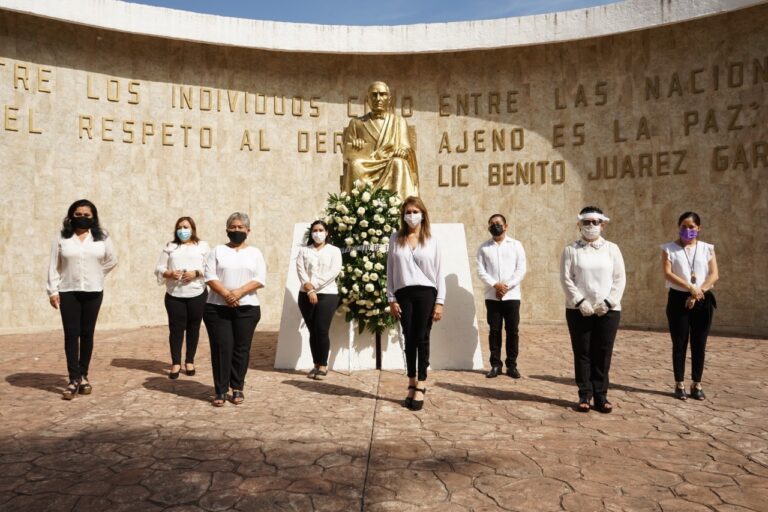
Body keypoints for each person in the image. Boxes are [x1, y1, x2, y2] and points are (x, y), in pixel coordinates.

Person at [47, 199, 118, 400]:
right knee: (71, 334)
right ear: (71, 215)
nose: (83, 218)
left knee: (87, 334)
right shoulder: (62, 236)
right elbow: (54, 264)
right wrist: (52, 291)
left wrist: (97, 274)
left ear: (93, 217)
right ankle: (73, 379)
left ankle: (83, 376)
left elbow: (112, 260)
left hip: (94, 291)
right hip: (68, 291)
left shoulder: (101, 236)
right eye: (78, 214)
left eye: (87, 215)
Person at [560, 206, 625, 413]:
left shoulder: (612, 249)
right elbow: (566, 279)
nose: (590, 226)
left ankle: (601, 395)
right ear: (579, 225)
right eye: (586, 222)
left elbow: (619, 278)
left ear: (602, 225)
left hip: (608, 310)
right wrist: (580, 302)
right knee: (583, 352)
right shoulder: (571, 249)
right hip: (578, 310)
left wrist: (608, 303)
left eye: (594, 222)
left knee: (603, 353)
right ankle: (584, 394)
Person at [387, 196, 444, 411]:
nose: (411, 215)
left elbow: (439, 273)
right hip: (403, 294)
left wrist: (439, 302)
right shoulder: (396, 238)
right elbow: (390, 270)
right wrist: (391, 298)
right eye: (408, 212)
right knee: (409, 337)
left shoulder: (432, 239)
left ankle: (421, 383)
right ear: (403, 215)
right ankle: (410, 381)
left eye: (415, 211)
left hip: (426, 293)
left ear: (423, 214)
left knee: (422, 337)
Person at [203, 212, 266, 407]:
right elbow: (210, 276)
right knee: (222, 348)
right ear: (227, 230)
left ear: (248, 230)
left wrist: (237, 293)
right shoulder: (217, 251)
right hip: (217, 308)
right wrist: (226, 295)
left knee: (241, 349)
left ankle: (237, 387)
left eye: (240, 227)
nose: (236, 230)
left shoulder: (255, 253)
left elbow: (260, 279)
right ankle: (220, 390)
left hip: (247, 309)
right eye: (233, 227)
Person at [661, 211, 719, 401]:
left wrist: (698, 291)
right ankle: (679, 383)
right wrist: (690, 288)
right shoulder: (669, 248)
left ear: (698, 228)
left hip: (703, 300)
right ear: (679, 228)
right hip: (678, 300)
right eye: (684, 226)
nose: (687, 230)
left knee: (699, 343)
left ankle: (697, 383)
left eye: (691, 227)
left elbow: (714, 275)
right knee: (679, 343)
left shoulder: (707, 248)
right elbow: (668, 274)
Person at [154, 217, 210, 379]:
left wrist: (196, 273)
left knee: (194, 327)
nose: (182, 230)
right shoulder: (171, 247)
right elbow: (159, 267)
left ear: (193, 228)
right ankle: (176, 362)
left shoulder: (203, 246)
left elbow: (211, 268)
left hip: (197, 293)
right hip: (174, 295)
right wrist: (170, 273)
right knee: (176, 329)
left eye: (186, 227)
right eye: (179, 227)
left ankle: (190, 361)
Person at [342, 81, 419, 198]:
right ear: (367, 99)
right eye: (374, 95)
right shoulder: (356, 123)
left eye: (382, 94)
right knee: (355, 165)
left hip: (389, 162)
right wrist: (355, 145)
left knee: (399, 162)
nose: (378, 98)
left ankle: (399, 206)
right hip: (367, 165)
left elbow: (406, 146)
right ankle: (358, 206)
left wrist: (403, 151)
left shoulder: (399, 121)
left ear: (389, 98)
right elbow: (347, 155)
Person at [476, 213, 527, 379]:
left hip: (511, 296)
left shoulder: (516, 245)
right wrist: (495, 285)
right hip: (492, 297)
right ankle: (495, 365)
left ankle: (512, 365)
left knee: (512, 331)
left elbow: (521, 269)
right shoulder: (484, 248)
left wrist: (506, 286)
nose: (494, 225)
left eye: (498, 223)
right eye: (491, 223)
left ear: (505, 226)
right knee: (494, 331)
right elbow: (480, 271)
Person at [296, 220, 342, 379]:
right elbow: (300, 270)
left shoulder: (334, 251)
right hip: (305, 295)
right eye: (315, 230)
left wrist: (313, 286)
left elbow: (334, 271)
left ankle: (323, 365)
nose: (318, 233)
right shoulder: (303, 251)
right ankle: (316, 364)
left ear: (327, 232)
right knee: (312, 331)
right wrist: (308, 290)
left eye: (321, 230)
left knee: (321, 330)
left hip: (327, 294)